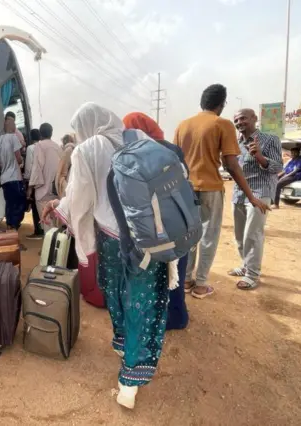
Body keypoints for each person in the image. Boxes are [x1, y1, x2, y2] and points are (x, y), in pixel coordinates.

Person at [41, 103, 174, 409]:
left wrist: (58, 207)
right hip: (152, 236)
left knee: (116, 293)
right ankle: (130, 353)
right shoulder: (139, 136)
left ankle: (128, 381)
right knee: (143, 300)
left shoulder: (88, 149)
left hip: (113, 240)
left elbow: (79, 199)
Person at [173, 84, 269, 299]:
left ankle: (186, 279)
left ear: (202, 102)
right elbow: (231, 164)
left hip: (185, 189)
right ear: (222, 104)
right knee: (208, 236)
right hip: (210, 188)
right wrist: (251, 196)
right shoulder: (222, 124)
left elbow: (175, 160)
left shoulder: (182, 125)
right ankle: (201, 285)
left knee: (189, 236)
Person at [122, 112, 189, 330]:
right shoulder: (173, 149)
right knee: (176, 268)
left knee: (154, 273)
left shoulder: (134, 153)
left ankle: (159, 318)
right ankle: (177, 315)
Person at [230, 109, 283, 289]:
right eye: (236, 120)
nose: (239, 122)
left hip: (260, 192)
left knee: (252, 234)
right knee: (239, 235)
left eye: (243, 118)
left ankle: (252, 275)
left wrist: (260, 157)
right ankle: (245, 266)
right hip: (239, 192)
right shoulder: (235, 143)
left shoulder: (270, 139)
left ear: (254, 119)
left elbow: (277, 167)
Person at [28, 123, 63, 233]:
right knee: (57, 222)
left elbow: (36, 168)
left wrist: (30, 189)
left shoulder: (39, 146)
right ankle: (58, 248)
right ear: (51, 133)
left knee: (47, 223)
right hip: (56, 190)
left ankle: (50, 248)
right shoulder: (57, 147)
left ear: (40, 133)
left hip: (43, 192)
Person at [0, 116, 25, 230]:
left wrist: (4, 165)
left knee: (9, 203)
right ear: (12, 126)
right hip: (14, 177)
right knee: (19, 202)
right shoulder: (13, 137)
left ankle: (9, 224)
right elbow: (19, 158)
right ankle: (15, 226)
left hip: (4, 179)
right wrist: (20, 160)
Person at [24, 128, 44, 239]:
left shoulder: (31, 148)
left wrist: (27, 181)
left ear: (31, 138)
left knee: (35, 207)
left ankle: (38, 230)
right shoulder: (43, 147)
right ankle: (44, 228)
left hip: (35, 180)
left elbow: (29, 167)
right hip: (45, 180)